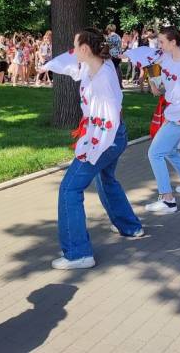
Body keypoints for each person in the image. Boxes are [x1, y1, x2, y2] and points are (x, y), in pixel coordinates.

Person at [43, 29, 143, 270]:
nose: (73, 50)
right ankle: (130, 226)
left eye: (76, 46)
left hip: (105, 137)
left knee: (69, 188)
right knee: (106, 179)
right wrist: (46, 65)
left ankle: (78, 254)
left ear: (86, 50)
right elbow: (69, 60)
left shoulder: (103, 80)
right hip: (109, 134)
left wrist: (90, 149)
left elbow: (108, 121)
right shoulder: (96, 64)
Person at [124, 27, 180, 214]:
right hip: (176, 112)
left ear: (173, 42)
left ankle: (167, 200)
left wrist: (174, 115)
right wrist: (151, 78)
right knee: (171, 151)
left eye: (162, 42)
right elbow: (154, 70)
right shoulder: (166, 57)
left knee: (155, 153)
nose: (159, 45)